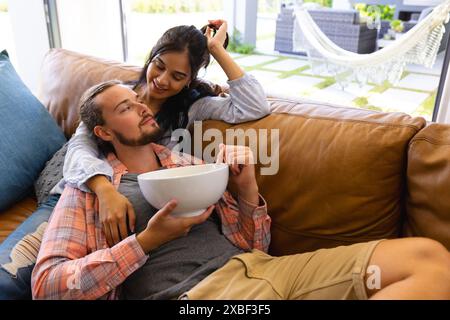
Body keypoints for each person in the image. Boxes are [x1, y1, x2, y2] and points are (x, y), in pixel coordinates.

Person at [31, 81, 450, 300]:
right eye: (126, 108)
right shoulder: (89, 190)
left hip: (264, 272)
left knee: (428, 258)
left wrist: (247, 187)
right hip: (196, 296)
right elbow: (48, 286)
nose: (142, 106)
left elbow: (255, 244)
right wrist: (144, 242)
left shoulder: (190, 165)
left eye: (136, 100)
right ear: (103, 131)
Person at [0, 20, 269, 299]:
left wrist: (217, 50)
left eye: (177, 76)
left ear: (189, 80)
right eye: (160, 65)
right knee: (9, 279)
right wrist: (104, 191)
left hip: (135, 219)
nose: (163, 80)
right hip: (75, 192)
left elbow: (254, 105)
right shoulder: (112, 95)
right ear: (151, 56)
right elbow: (78, 150)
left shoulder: (189, 108)